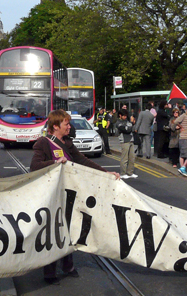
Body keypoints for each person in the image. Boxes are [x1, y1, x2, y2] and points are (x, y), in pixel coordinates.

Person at [30, 110, 121, 284]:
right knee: (53, 231)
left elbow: (83, 161)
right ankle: (49, 271)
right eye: (66, 124)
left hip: (69, 194)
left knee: (69, 229)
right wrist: (54, 162)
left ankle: (68, 266)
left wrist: (106, 173)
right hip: (51, 195)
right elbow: (34, 166)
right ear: (56, 126)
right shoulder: (43, 143)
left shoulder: (68, 143)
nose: (69, 127)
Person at [115, 109, 137, 179]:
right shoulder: (118, 122)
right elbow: (126, 130)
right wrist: (130, 125)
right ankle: (123, 173)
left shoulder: (127, 121)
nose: (125, 117)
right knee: (124, 158)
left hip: (131, 140)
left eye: (126, 116)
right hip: (124, 141)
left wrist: (130, 126)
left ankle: (130, 173)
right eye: (124, 116)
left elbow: (131, 128)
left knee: (132, 158)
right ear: (120, 115)